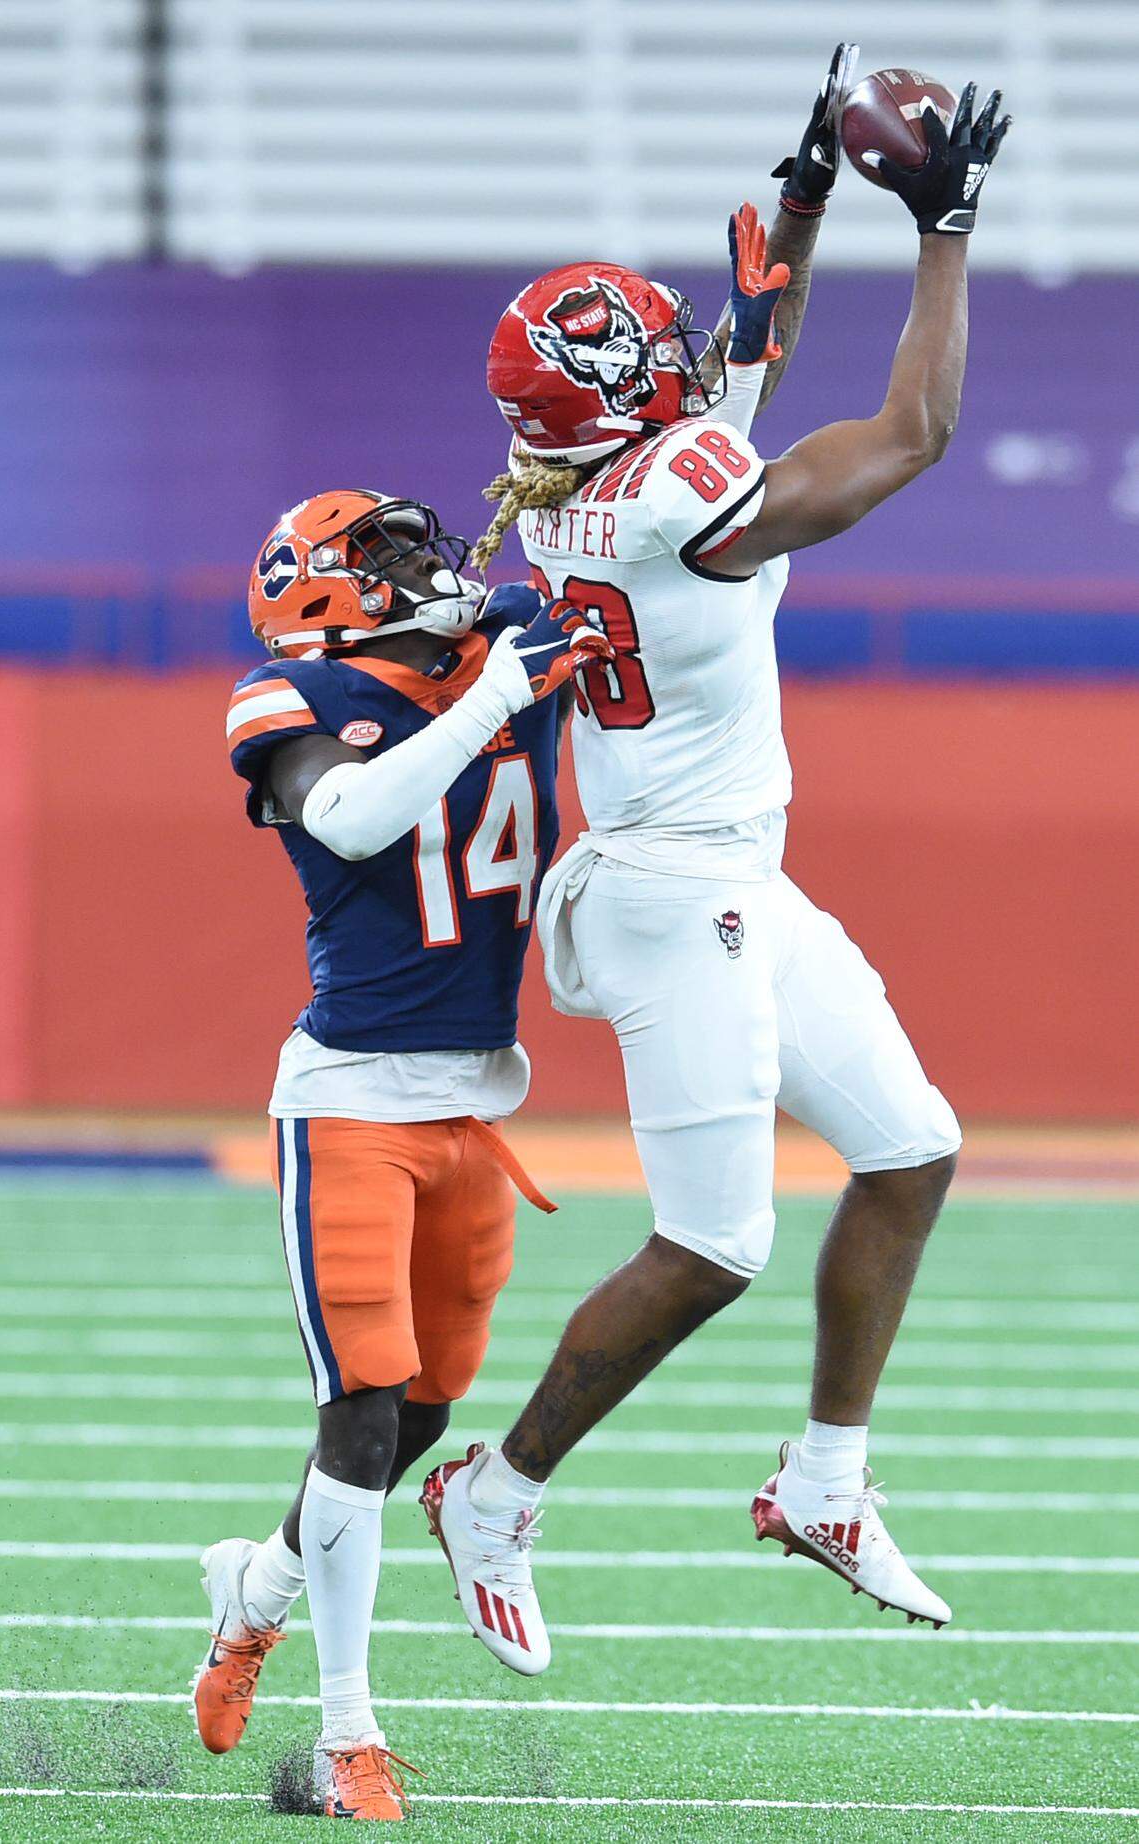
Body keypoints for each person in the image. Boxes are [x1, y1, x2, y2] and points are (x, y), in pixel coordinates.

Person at [422, 83, 1012, 1672]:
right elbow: (912, 437)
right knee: (714, 1246)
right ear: (617, 401)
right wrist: (944, 228)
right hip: (675, 897)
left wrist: (805, 197)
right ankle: (494, 1494)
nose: (685, 357)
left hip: (708, 872)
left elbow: (737, 372)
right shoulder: (672, 499)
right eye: (651, 356)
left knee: (911, 1150)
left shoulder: (576, 484)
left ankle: (825, 1485)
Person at [192, 486, 613, 1817]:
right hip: (351, 1102)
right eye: (385, 554)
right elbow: (356, 818)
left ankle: (254, 1592)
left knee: (420, 1414)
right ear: (316, 593)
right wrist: (499, 694)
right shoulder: (288, 699)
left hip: (475, 1106)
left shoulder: (502, 638)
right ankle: (348, 1740)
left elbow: (644, 574)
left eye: (419, 542)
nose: (427, 562)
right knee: (364, 1412)